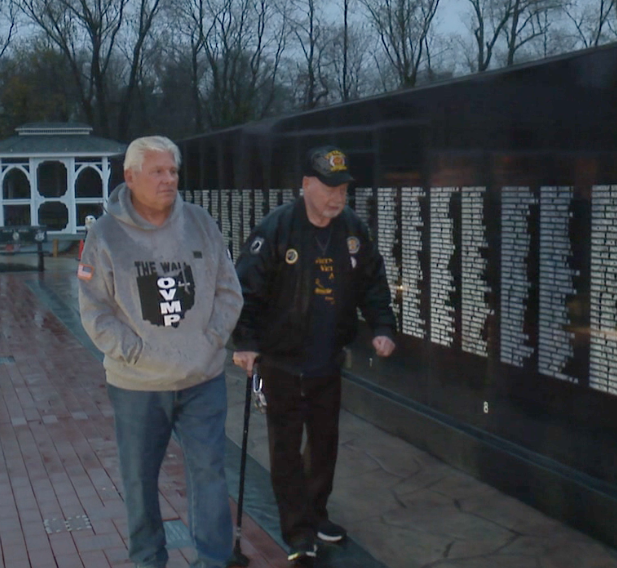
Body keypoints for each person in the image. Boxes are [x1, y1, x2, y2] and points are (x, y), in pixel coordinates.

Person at [78, 136, 244, 568]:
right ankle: (149, 560)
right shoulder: (104, 234)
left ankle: (213, 560)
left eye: (172, 171)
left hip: (201, 380)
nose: (168, 179)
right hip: (137, 386)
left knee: (209, 475)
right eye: (157, 171)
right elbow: (94, 309)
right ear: (130, 177)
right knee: (139, 480)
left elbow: (229, 290)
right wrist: (131, 352)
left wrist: (211, 340)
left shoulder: (202, 224)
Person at [231, 145, 396, 565]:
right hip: (283, 360)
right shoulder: (276, 230)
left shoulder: (353, 230)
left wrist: (382, 326)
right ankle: (298, 530)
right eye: (329, 187)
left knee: (324, 444)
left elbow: (373, 282)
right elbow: (244, 290)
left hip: (327, 361)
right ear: (306, 185)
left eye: (343, 188)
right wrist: (245, 341)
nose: (337, 197)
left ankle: (317, 514)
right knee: (286, 447)